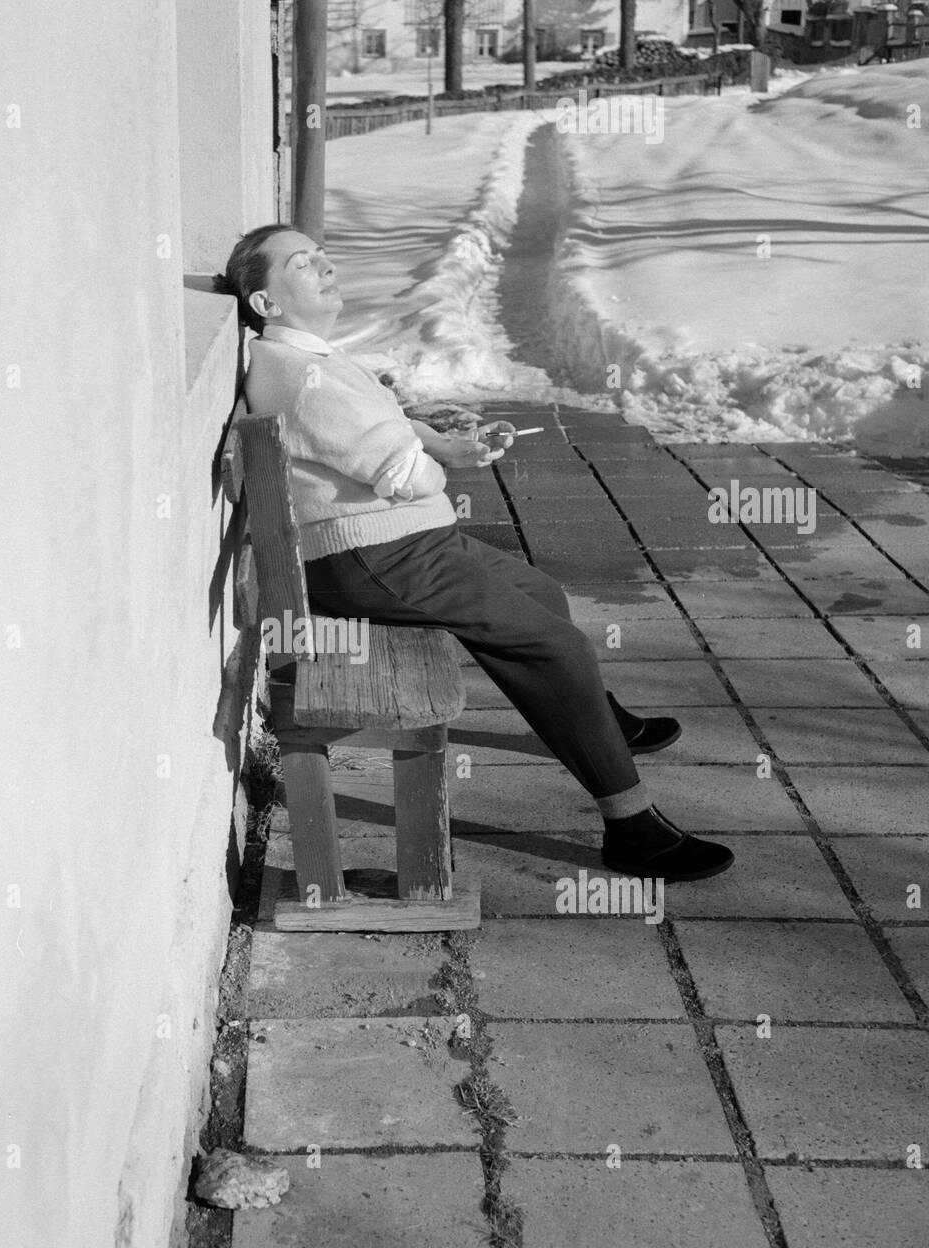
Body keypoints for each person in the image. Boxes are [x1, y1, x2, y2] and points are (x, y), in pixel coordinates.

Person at [214, 223, 733, 881]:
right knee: (559, 645)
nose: (323, 265)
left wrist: (437, 440)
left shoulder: (297, 358)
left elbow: (365, 427)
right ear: (266, 301)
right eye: (301, 263)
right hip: (379, 557)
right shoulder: (302, 373)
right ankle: (633, 827)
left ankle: (599, 725)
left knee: (542, 596)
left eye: (321, 255)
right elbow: (396, 471)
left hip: (394, 545)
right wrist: (435, 468)